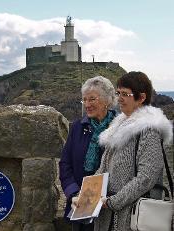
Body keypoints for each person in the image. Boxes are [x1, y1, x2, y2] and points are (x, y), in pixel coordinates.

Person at [72, 71, 173, 231]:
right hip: (110, 215)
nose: (119, 98)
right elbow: (102, 169)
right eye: (118, 93)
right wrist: (84, 197)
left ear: (141, 98)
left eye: (125, 94)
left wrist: (113, 202)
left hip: (132, 217)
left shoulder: (149, 130)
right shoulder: (118, 126)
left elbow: (147, 177)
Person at [59, 76, 117, 231]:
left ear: (107, 101)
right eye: (84, 100)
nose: (87, 105)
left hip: (110, 207)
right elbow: (65, 163)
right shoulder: (78, 127)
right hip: (81, 206)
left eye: (92, 99)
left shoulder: (120, 128)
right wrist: (74, 193)